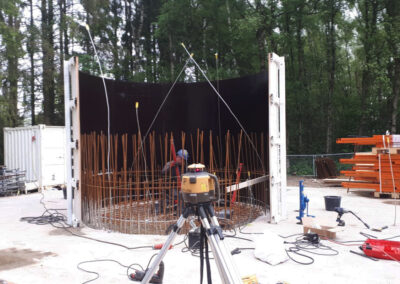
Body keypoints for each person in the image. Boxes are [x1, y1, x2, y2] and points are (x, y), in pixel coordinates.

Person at [161, 149, 189, 214]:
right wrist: (171, 166)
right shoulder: (170, 164)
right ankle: (174, 206)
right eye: (181, 159)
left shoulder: (185, 167)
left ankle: (181, 206)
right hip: (170, 185)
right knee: (176, 195)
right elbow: (163, 172)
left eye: (183, 160)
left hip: (181, 185)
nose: (182, 161)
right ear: (177, 157)